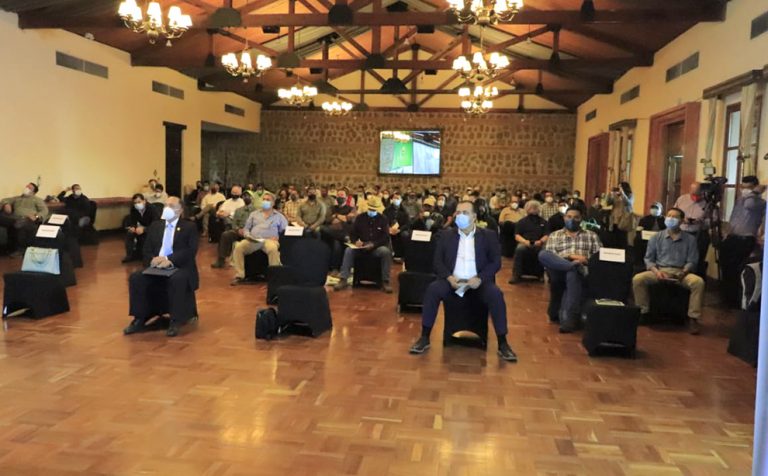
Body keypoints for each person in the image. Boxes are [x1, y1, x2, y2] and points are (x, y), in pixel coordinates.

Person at [408, 201, 517, 362]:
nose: (460, 216)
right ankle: (424, 337)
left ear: (474, 217)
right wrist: (449, 277)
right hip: (452, 281)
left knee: (496, 295)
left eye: (465, 213)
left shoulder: (488, 236)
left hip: (477, 282)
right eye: (458, 212)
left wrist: (480, 278)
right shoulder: (446, 235)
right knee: (433, 290)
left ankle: (503, 343)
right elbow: (437, 262)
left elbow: (495, 262)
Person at [124, 197, 199, 338]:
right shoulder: (155, 226)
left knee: (176, 279)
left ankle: (175, 320)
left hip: (179, 266)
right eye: (166, 205)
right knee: (136, 278)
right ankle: (139, 317)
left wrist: (169, 260)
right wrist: (152, 260)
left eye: (172, 206)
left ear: (180, 210)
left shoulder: (189, 227)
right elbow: (146, 249)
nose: (167, 208)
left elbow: (190, 251)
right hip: (157, 265)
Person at [632, 207, 704, 334]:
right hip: (660, 270)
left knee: (698, 282)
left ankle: (693, 318)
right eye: (669, 216)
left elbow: (692, 260)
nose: (670, 218)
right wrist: (657, 272)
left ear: (681, 221)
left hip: (681, 272)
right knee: (638, 279)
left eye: (674, 217)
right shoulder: (656, 237)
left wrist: (684, 272)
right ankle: (643, 312)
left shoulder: (690, 239)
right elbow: (648, 259)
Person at [538, 207, 602, 333]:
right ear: (564, 218)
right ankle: (572, 266)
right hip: (559, 270)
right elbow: (551, 257)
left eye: (576, 217)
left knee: (573, 274)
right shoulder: (555, 235)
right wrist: (570, 257)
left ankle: (567, 321)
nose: (572, 220)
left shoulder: (592, 236)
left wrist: (584, 260)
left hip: (583, 269)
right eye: (569, 217)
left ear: (581, 219)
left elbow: (599, 259)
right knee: (543, 254)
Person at [720, 176, 767, 307]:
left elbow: (749, 204)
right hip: (732, 237)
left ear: (755, 187)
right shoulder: (740, 199)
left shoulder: (759, 202)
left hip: (745, 239)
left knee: (737, 269)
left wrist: (756, 192)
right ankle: (727, 298)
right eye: (743, 187)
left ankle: (737, 300)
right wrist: (727, 232)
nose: (745, 190)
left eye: (749, 187)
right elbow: (734, 217)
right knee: (726, 267)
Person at [333, 196, 393, 293]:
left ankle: (385, 281)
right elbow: (353, 233)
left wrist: (374, 244)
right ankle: (343, 279)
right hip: (361, 246)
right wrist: (355, 241)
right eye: (370, 209)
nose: (371, 211)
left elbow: (385, 237)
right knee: (349, 251)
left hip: (376, 247)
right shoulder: (360, 218)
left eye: (374, 210)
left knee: (385, 252)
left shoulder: (383, 219)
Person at [230, 193, 287, 285]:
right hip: (254, 240)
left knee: (273, 249)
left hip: (270, 240)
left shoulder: (279, 216)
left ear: (273, 203)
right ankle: (240, 275)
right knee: (238, 247)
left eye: (268, 200)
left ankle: (274, 277)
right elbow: (246, 228)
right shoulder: (254, 214)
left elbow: (285, 231)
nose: (265, 201)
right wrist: (247, 235)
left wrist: (278, 237)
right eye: (264, 199)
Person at [0, 182, 48, 256]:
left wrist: (36, 216)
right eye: (26, 186)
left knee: (21, 223)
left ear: (34, 192)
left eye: (29, 188)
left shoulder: (37, 199)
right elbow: (4, 200)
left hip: (29, 219)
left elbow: (44, 210)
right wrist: (6, 204)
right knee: (11, 220)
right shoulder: (17, 198)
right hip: (15, 219)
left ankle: (20, 249)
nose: (26, 188)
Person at [211, 193, 256, 269]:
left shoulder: (257, 211)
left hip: (250, 232)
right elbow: (234, 223)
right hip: (238, 231)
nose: (246, 197)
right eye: (244, 196)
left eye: (248, 196)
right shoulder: (238, 210)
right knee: (226, 235)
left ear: (252, 198)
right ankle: (221, 260)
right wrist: (238, 229)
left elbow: (258, 224)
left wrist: (247, 231)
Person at [673, 182, 710, 274]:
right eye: (693, 194)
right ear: (689, 190)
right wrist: (682, 219)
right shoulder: (682, 199)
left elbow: (713, 220)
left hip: (699, 234)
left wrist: (701, 222)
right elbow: (674, 213)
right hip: (682, 233)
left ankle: (695, 278)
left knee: (697, 260)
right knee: (680, 258)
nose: (695, 197)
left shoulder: (708, 202)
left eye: (698, 194)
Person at [510, 200, 548, 284]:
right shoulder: (522, 222)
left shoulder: (544, 222)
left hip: (539, 243)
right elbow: (517, 235)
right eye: (531, 208)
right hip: (525, 242)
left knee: (542, 252)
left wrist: (540, 241)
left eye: (535, 208)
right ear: (527, 209)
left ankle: (540, 275)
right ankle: (516, 275)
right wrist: (525, 241)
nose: (534, 209)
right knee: (519, 249)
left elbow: (546, 235)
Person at [122, 193, 159, 263]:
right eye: (135, 203)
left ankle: (146, 255)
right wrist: (133, 227)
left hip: (152, 228)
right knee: (130, 234)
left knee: (146, 236)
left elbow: (156, 224)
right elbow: (133, 221)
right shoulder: (133, 209)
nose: (137, 204)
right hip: (141, 227)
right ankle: (130, 255)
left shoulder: (152, 209)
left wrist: (144, 229)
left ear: (144, 201)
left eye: (139, 202)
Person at [605, 182, 634, 249]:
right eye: (619, 187)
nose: (619, 188)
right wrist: (610, 194)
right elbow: (608, 203)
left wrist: (622, 193)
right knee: (614, 240)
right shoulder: (616, 195)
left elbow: (628, 203)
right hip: (614, 220)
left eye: (621, 187)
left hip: (624, 221)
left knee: (622, 240)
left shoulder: (630, 195)